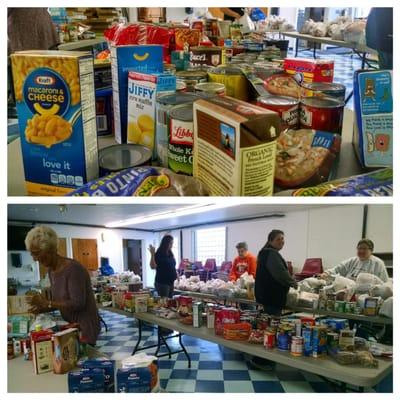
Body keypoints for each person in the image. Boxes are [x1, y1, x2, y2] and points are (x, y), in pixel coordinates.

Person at [25, 226, 100, 346]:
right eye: (32, 254)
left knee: (80, 362)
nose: (34, 258)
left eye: (37, 253)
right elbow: (62, 303)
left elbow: (78, 303)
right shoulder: (51, 271)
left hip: (85, 327)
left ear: (50, 250)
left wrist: (47, 303)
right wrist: (42, 308)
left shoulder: (73, 269)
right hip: (71, 325)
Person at [255, 230, 298, 316]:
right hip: (272, 296)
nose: (281, 241)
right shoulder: (271, 254)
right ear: (270, 241)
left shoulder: (265, 252)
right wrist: (294, 283)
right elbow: (281, 273)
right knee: (273, 322)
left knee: (268, 321)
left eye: (282, 239)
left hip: (266, 295)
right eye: (278, 239)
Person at [319, 239, 389, 282]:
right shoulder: (352, 261)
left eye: (364, 249)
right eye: (359, 248)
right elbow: (337, 269)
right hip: (348, 292)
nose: (361, 251)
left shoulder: (378, 264)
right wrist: (326, 273)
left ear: (371, 250)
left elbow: (384, 284)